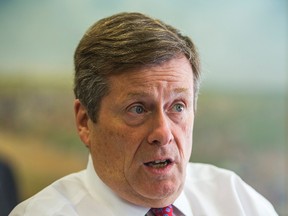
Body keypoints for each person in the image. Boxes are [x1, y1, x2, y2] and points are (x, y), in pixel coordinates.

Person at [9, 12, 278, 216]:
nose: (163, 133)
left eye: (178, 107)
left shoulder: (234, 199)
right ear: (84, 122)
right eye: (137, 109)